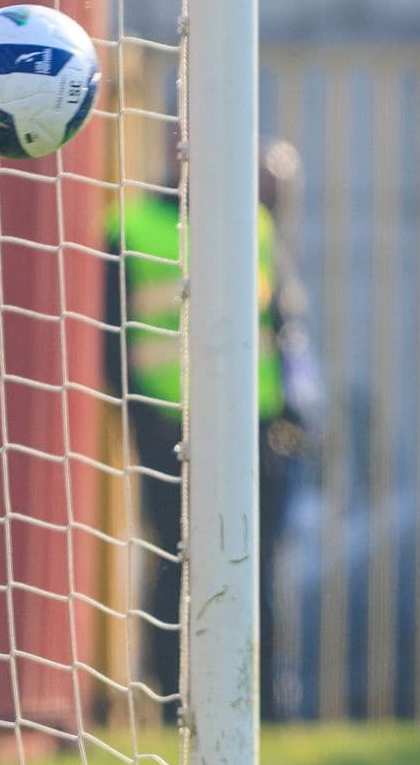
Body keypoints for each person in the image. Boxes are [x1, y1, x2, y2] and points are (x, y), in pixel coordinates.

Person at [105, 145, 309, 721]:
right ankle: (173, 698)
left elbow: (280, 324)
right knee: (177, 559)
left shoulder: (253, 223)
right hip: (168, 426)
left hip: (254, 426)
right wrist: (140, 416)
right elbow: (109, 337)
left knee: (254, 560)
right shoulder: (130, 226)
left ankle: (260, 702)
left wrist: (291, 409)